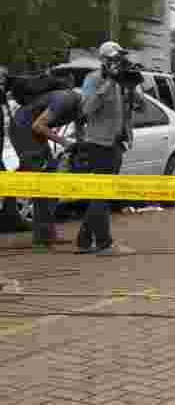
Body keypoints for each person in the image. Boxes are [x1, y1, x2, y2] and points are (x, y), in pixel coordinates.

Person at [74, 42, 142, 256]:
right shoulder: (93, 79)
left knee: (100, 194)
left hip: (117, 143)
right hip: (98, 144)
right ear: (104, 60)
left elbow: (140, 106)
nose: (118, 62)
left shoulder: (124, 80)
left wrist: (134, 88)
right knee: (101, 194)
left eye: (120, 58)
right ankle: (104, 243)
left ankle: (84, 240)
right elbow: (86, 109)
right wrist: (108, 83)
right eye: (114, 59)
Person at [8, 79, 80, 246]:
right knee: (44, 182)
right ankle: (42, 236)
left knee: (49, 182)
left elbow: (80, 127)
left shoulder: (78, 105)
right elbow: (38, 126)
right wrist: (65, 143)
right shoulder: (65, 99)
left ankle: (46, 234)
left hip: (32, 134)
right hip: (24, 131)